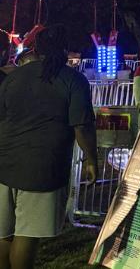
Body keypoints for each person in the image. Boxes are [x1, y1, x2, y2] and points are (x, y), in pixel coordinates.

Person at [0, 25, 97, 269]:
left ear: (36, 48)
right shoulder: (73, 80)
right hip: (43, 167)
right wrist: (91, 158)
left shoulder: (13, 76)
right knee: (27, 234)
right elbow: (82, 126)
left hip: (5, 162)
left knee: (3, 233)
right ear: (65, 50)